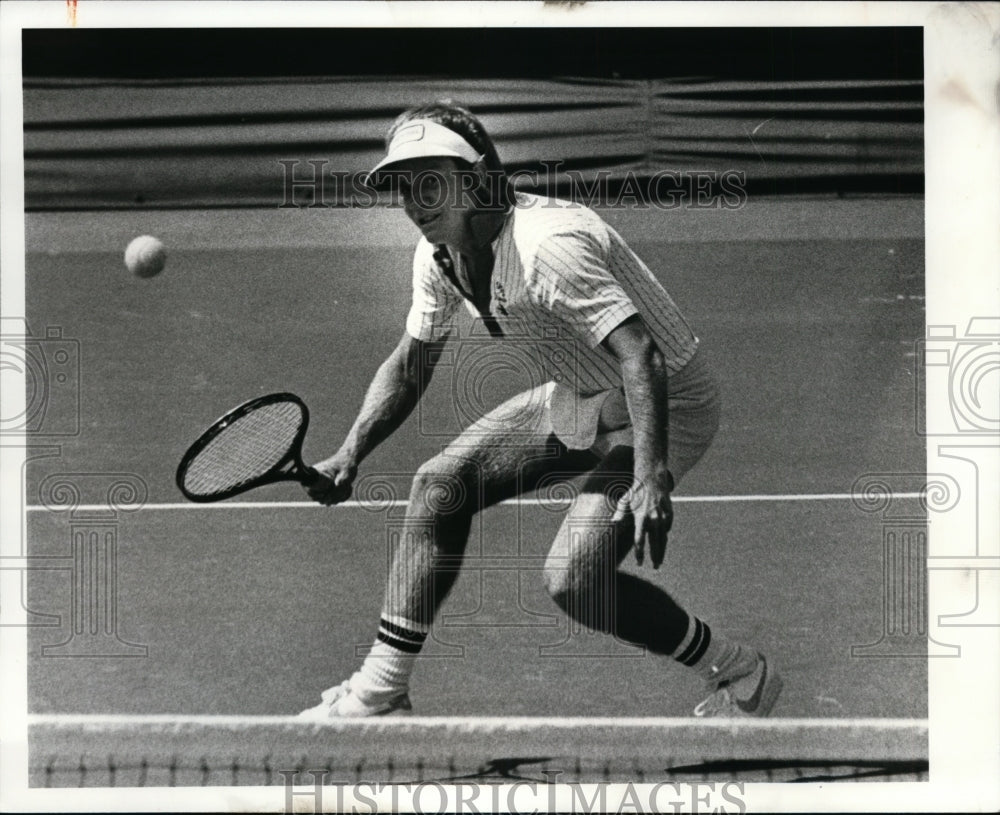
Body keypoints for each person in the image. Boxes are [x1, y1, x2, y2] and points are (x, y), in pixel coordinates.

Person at [298, 101, 781, 719]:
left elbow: (643, 359)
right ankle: (381, 689)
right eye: (401, 186)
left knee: (574, 581)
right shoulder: (440, 256)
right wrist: (351, 451)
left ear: (475, 178)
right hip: (584, 392)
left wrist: (649, 475)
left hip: (666, 403)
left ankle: (742, 674)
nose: (414, 202)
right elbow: (410, 362)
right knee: (440, 485)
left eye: (429, 182)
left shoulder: (549, 248)